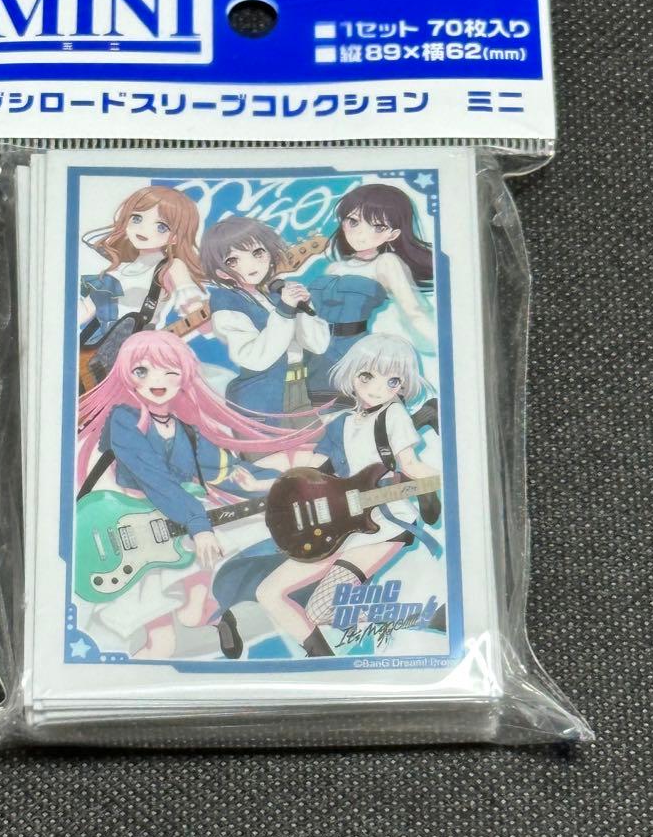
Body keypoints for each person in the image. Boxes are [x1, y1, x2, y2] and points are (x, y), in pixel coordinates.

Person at [76, 331, 321, 659]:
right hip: (130, 528)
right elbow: (155, 480)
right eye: (142, 371)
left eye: (170, 371)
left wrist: (278, 484)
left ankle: (218, 617)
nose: (157, 380)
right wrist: (199, 525)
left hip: (179, 533)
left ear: (184, 376)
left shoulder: (184, 428)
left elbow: (224, 469)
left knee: (193, 615)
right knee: (162, 643)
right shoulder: (124, 419)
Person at [213, 334, 442, 658]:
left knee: (320, 609)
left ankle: (424, 618)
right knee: (269, 593)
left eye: (392, 381)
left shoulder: (393, 415)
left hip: (383, 524)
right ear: (353, 373)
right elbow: (314, 471)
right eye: (367, 376)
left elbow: (411, 465)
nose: (378, 388)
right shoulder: (343, 423)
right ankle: (322, 662)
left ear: (401, 386)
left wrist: (447, 481)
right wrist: (257, 486)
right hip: (343, 522)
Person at [305, 184, 436, 405]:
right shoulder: (334, 268)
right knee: (313, 408)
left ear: (393, 234)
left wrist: (445, 343)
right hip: (316, 349)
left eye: (377, 227)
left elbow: (413, 310)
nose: (360, 233)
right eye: (353, 222)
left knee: (352, 410)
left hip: (354, 351)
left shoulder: (386, 263)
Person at [201, 217, 329, 424]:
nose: (250, 264)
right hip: (260, 400)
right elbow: (255, 358)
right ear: (221, 273)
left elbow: (318, 345)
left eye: (257, 252)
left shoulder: (276, 294)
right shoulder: (226, 301)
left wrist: (304, 308)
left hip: (301, 390)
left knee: (315, 442)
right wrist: (285, 310)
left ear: (270, 254)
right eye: (232, 261)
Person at [78, 186, 206, 385]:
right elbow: (86, 310)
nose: (144, 229)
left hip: (136, 356)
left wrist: (200, 313)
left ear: (175, 237)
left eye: (161, 226)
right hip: (91, 351)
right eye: (137, 218)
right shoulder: (116, 271)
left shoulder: (170, 266)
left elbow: (193, 305)